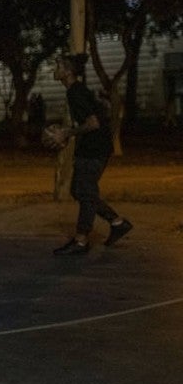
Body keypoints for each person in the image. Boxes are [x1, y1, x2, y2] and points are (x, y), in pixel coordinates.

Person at [51, 54, 133, 255]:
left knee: (85, 193)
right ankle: (117, 223)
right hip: (93, 147)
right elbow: (90, 121)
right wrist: (68, 135)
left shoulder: (75, 92)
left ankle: (81, 241)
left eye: (58, 66)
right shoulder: (76, 91)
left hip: (94, 150)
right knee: (79, 191)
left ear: (68, 71)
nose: (55, 69)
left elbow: (93, 123)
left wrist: (66, 133)